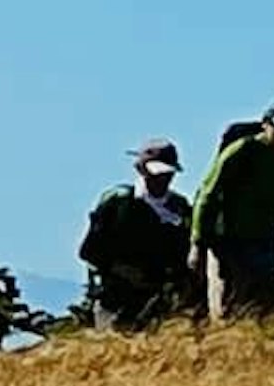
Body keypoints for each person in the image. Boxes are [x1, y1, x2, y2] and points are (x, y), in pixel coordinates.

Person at [190, 99, 274, 317]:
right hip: (228, 244)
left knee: (262, 311)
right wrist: (198, 245)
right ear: (266, 123)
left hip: (267, 246)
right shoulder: (242, 150)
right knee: (227, 309)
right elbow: (208, 195)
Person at [77, 140, 196, 328]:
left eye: (167, 174)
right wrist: (122, 271)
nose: (162, 179)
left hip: (160, 301)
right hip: (114, 298)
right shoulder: (118, 202)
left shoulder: (180, 207)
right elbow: (90, 251)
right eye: (157, 173)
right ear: (141, 170)